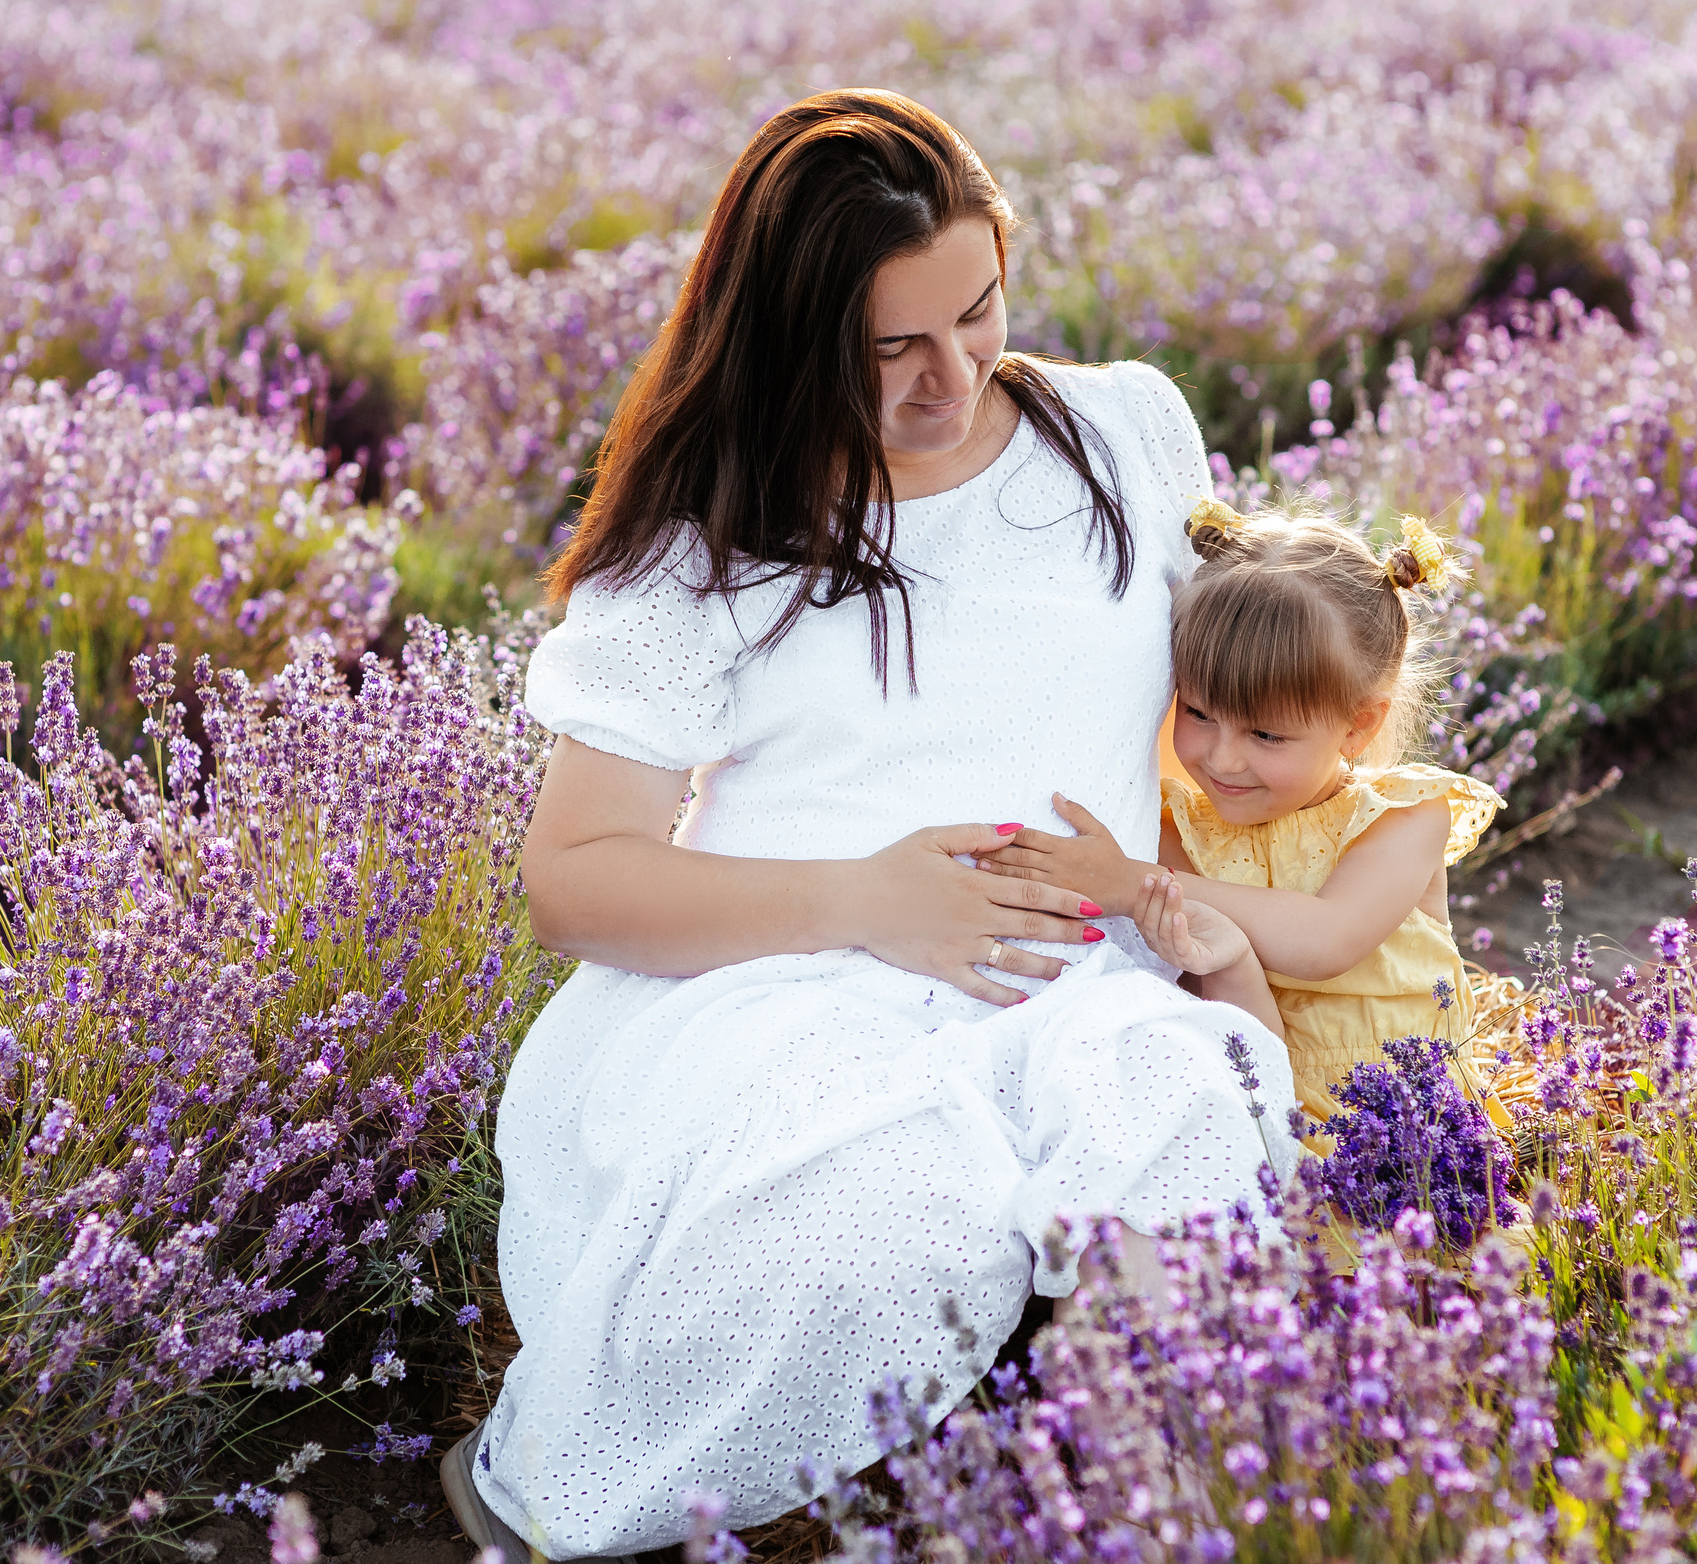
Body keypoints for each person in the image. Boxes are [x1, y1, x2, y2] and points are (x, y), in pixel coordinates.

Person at [440, 90, 1302, 1562]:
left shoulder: (1124, 431)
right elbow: (574, 882)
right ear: (786, 341)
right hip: (790, 994)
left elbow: (1247, 691)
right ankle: (588, 1485)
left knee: (1188, 1138)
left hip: (1090, 982)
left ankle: (1095, 1497)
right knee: (876, 1226)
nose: (951, 379)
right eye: (889, 350)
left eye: (977, 314)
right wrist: (867, 897)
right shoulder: (711, 536)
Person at [980, 500, 1510, 1135]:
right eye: (1199, 713)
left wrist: (1130, 884)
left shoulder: (1402, 816)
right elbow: (1212, 992)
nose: (1222, 757)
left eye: (1266, 734)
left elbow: (1325, 940)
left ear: (1358, 724)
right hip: (1254, 1097)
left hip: (1403, 1121)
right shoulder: (1178, 827)